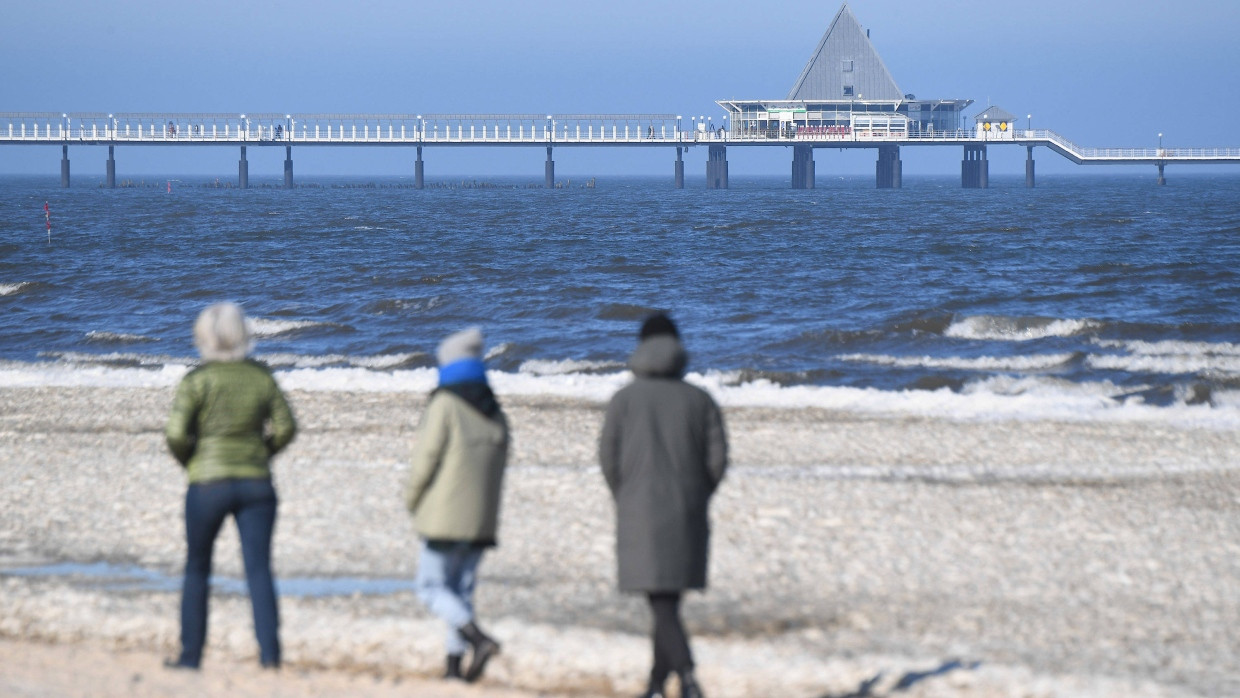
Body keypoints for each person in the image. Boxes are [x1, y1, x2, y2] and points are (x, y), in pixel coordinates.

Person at [599, 314, 728, 698]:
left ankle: (686, 676)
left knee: (660, 600)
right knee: (666, 599)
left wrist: (626, 495)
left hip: (638, 509)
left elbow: (608, 459)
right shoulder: (700, 399)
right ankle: (657, 683)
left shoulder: (623, 400)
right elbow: (717, 460)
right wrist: (698, 493)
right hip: (687, 510)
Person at [164, 302, 296, 670]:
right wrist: (262, 454)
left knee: (197, 568)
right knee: (258, 570)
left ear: (202, 336)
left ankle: (191, 658)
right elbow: (286, 428)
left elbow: (175, 434)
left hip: (207, 483)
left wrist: (191, 460)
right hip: (256, 483)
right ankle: (270, 659)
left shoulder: (196, 380)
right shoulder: (260, 376)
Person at [407, 327, 509, 683]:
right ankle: (453, 670)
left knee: (431, 588)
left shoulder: (444, 404)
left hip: (444, 517)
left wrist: (412, 499)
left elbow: (425, 460)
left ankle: (478, 639)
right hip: (481, 520)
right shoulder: (495, 409)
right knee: (461, 591)